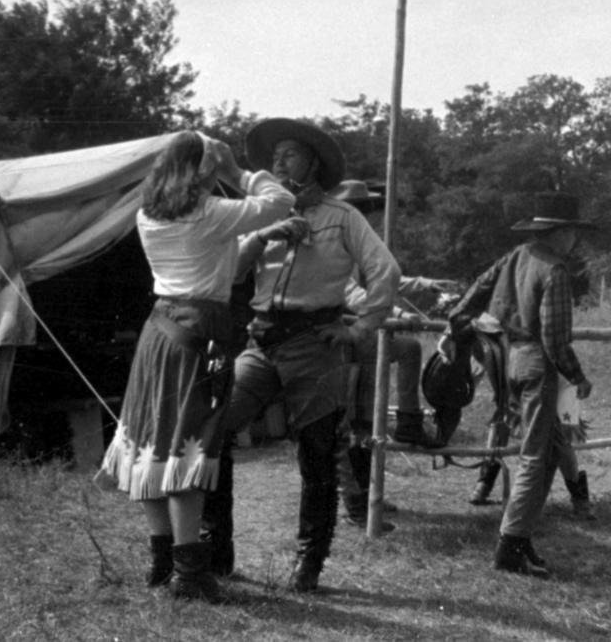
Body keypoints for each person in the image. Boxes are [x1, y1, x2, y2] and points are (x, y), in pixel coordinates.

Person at [201, 118, 401, 594]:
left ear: (313, 162)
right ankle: (218, 551)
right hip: (262, 340)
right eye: (275, 157)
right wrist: (261, 237)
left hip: (315, 344)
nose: (278, 162)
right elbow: (229, 272)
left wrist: (358, 328)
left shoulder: (343, 217)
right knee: (216, 430)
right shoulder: (259, 214)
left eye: (290, 154)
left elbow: (385, 272)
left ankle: (309, 564)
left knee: (315, 455)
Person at [101, 131, 294, 601]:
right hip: (199, 333)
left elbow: (218, 258)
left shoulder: (149, 213)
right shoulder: (211, 212)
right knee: (191, 443)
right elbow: (281, 199)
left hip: (160, 330)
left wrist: (256, 233)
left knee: (150, 440)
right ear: (201, 169)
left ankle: (162, 559)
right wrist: (235, 172)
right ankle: (189, 573)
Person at [458, 191, 597, 578]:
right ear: (562, 232)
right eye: (573, 233)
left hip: (508, 359)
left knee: (552, 447)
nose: (576, 241)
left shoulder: (516, 256)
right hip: (536, 361)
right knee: (536, 457)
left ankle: (522, 536)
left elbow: (476, 290)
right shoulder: (555, 270)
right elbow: (554, 339)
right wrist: (578, 377)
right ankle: (510, 544)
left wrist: (459, 321)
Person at [333, 178, 442, 531]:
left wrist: (423, 284)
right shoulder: (332, 245)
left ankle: (367, 495)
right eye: (361, 210)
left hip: (361, 338)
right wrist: (392, 315)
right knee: (344, 426)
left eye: (366, 210)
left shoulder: (357, 244)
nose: (365, 216)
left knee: (365, 425)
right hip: (339, 341)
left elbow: (384, 278)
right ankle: (354, 502)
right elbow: (351, 292)